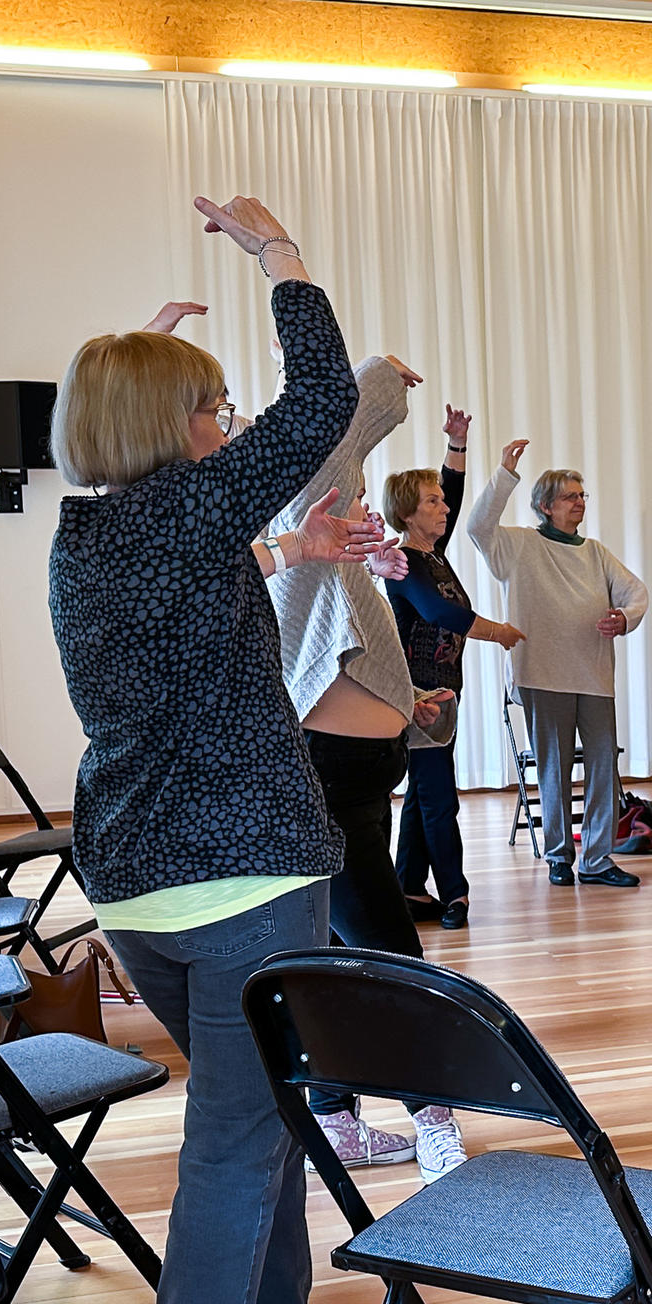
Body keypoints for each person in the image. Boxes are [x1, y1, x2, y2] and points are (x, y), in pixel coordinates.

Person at [49, 193, 367, 1304]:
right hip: (237, 878)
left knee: (264, 1114)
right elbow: (323, 397)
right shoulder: (182, 516)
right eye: (212, 410)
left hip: (137, 886)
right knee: (239, 1139)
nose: (232, 427)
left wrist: (144, 362)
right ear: (177, 433)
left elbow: (186, 545)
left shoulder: (88, 536)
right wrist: (280, 261)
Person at [263, 350, 470, 1182]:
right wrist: (380, 377)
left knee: (334, 944)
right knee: (388, 952)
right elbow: (343, 427)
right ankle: (432, 1119)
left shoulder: (338, 530)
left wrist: (405, 701)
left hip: (357, 765)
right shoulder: (307, 492)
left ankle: (336, 1114)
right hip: (325, 769)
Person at [465, 447, 649, 888]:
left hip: (593, 676)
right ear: (545, 506)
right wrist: (505, 475)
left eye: (582, 495)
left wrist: (624, 618)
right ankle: (558, 856)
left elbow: (635, 592)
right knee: (554, 769)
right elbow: (477, 526)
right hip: (542, 676)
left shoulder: (596, 552)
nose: (579, 502)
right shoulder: (519, 545)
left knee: (604, 766)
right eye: (570, 496)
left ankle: (598, 860)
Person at [383, 406, 526, 931]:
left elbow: (454, 490)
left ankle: (408, 887)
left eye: (442, 502)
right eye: (432, 503)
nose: (444, 508)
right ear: (407, 513)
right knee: (439, 796)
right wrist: (500, 632)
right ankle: (454, 896)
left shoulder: (433, 553)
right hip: (419, 696)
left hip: (444, 690)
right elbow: (442, 614)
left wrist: (458, 444)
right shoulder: (404, 563)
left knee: (424, 794)